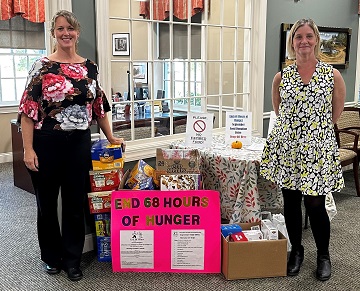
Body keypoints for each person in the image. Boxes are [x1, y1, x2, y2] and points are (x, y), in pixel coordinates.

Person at [17, 10, 124, 282]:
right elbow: (28, 111)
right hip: (46, 143)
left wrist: (111, 138)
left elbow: (98, 107)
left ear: (77, 33)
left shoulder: (90, 67)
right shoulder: (41, 67)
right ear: (53, 33)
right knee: (47, 204)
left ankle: (73, 260)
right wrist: (28, 150)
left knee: (75, 204)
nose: (66, 33)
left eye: (70, 29)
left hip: (78, 142)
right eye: (60, 28)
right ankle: (51, 258)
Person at [260, 18, 345, 281]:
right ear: (292, 42)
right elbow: (279, 111)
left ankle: (323, 255)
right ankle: (296, 251)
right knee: (291, 203)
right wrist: (296, 134)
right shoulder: (281, 77)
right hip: (288, 150)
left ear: (317, 40)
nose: (304, 41)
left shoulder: (332, 75)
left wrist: (312, 135)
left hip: (317, 151)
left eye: (309, 36)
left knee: (316, 204)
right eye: (299, 37)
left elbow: (336, 113)